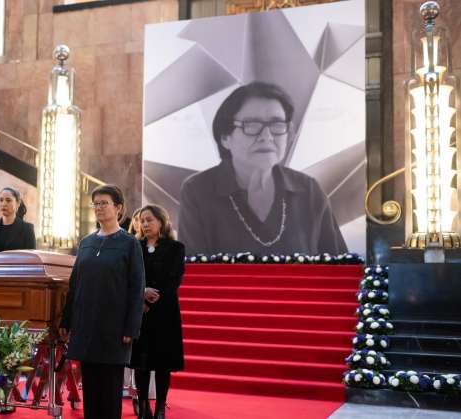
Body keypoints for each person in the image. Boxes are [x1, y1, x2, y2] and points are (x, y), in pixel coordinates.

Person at [178, 82, 347, 255]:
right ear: (225, 137)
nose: (266, 136)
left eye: (277, 125)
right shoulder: (198, 191)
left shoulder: (309, 190)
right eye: (251, 125)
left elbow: (339, 268)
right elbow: (191, 273)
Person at [59, 184, 145, 419]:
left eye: (104, 203)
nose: (98, 208)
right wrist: (67, 320)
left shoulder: (129, 243)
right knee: (92, 388)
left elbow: (136, 288)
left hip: (114, 327)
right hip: (87, 324)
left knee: (109, 390)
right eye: (95, 204)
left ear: (118, 208)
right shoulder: (86, 242)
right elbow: (75, 283)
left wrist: (131, 327)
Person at [130, 205, 185, 419]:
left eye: (149, 220)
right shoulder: (135, 247)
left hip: (165, 312)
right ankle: (144, 408)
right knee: (141, 363)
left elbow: (173, 279)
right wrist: (140, 295)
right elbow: (130, 276)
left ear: (161, 222)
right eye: (142, 221)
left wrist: (151, 300)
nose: (145, 225)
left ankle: (160, 407)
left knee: (163, 364)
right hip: (140, 312)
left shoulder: (175, 247)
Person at [0, 187, 36, 260]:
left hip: (16, 271)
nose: (4, 204)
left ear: (18, 203)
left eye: (8, 200)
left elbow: (31, 260)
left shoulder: (27, 229)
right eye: (1, 200)